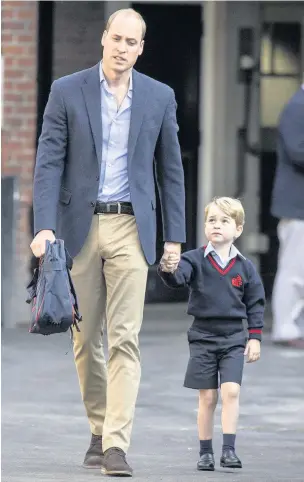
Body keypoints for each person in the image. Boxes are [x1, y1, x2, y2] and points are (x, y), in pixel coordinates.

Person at [30, 8, 185, 477]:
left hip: (131, 227)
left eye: (131, 42)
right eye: (115, 39)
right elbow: (48, 162)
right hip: (79, 227)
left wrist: (174, 238)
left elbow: (171, 172)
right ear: (103, 39)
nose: (122, 48)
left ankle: (115, 443)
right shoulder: (67, 90)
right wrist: (42, 226)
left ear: (142, 48)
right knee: (84, 339)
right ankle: (98, 427)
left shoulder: (159, 97)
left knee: (125, 339)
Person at [158, 197, 265, 471]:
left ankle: (229, 449)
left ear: (238, 229)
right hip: (203, 337)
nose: (217, 226)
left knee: (231, 391)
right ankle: (205, 451)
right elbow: (178, 277)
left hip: (233, 338)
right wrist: (169, 268)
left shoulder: (245, 267)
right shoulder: (193, 259)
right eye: (211, 220)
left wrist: (254, 337)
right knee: (207, 396)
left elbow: (255, 303)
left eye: (224, 221)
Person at [270, 83, 304, 349]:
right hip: (297, 205)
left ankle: (295, 326)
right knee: (294, 270)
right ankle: (285, 328)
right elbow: (298, 151)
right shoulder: (297, 107)